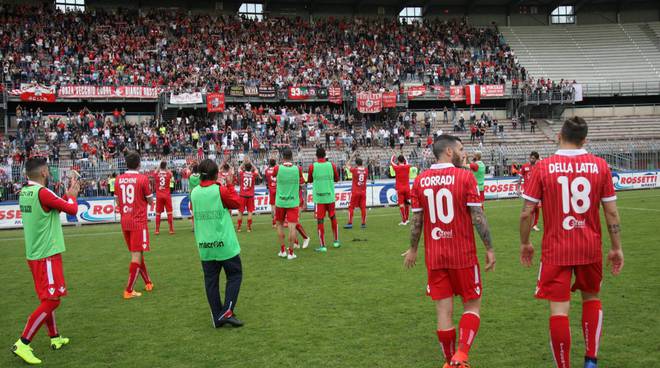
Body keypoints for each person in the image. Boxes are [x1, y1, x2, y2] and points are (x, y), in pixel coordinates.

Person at [519, 117, 624, 368]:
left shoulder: (542, 167)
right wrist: (616, 247)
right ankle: (590, 359)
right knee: (592, 298)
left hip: (556, 249)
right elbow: (611, 213)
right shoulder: (600, 166)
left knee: (559, 311)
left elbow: (526, 212)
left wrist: (525, 242)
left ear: (559, 136)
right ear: (584, 140)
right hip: (589, 246)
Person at [403, 135, 495, 368]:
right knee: (472, 305)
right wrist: (489, 248)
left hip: (435, 256)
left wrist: (413, 248)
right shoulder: (465, 177)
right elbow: (478, 216)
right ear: (449, 152)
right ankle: (461, 356)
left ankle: (449, 361)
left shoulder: (421, 180)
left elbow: (417, 221)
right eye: (461, 149)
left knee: (443, 312)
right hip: (462, 253)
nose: (465, 153)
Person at [12, 157, 79, 365]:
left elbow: (51, 206)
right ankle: (23, 343)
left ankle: (55, 337)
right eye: (48, 170)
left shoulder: (25, 191)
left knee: (46, 299)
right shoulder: (42, 192)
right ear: (42, 173)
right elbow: (72, 210)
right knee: (52, 300)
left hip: (34, 254)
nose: (49, 174)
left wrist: (66, 196)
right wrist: (73, 196)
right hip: (46, 254)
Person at [190, 159, 244, 327]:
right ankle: (226, 311)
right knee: (235, 275)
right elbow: (237, 203)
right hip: (224, 244)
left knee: (211, 281)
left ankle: (217, 315)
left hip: (205, 245)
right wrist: (229, 184)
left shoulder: (194, 192)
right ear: (215, 175)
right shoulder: (219, 190)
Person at [115, 151, 154, 299]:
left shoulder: (118, 179)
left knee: (137, 253)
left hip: (125, 221)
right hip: (138, 221)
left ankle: (148, 282)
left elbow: (118, 201)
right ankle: (129, 290)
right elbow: (150, 201)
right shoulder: (143, 179)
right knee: (136, 255)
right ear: (139, 164)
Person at [274, 148, 305, 260]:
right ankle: (291, 253)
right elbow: (302, 181)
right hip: (292, 201)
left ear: (283, 157)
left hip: (281, 201)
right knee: (292, 227)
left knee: (279, 225)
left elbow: (273, 174)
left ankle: (283, 250)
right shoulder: (298, 169)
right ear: (292, 157)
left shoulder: (278, 168)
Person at [308, 147, 340, 252]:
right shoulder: (332, 165)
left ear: (316, 156)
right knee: (333, 217)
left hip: (319, 198)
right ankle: (336, 241)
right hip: (330, 196)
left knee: (320, 220)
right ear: (325, 155)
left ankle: (323, 246)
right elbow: (336, 179)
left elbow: (309, 180)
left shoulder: (313, 166)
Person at [344, 153, 368, 229]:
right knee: (363, 208)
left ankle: (350, 223)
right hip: (363, 192)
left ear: (356, 164)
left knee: (351, 207)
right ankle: (363, 223)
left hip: (355, 191)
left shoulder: (355, 170)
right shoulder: (366, 170)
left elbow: (347, 165)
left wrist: (351, 157)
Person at [519, 151, 541, 231]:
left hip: (536, 191)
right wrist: (518, 188)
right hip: (527, 191)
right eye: (531, 158)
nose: (531, 159)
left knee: (536, 208)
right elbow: (520, 177)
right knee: (526, 208)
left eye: (533, 158)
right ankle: (525, 223)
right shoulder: (525, 166)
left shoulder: (538, 166)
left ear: (537, 159)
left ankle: (534, 224)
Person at [236, 159, 260, 232]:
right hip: (250, 196)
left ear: (245, 168)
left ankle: (239, 228)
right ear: (251, 168)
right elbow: (256, 170)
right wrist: (251, 162)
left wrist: (243, 162)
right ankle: (249, 228)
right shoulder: (253, 174)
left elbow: (239, 168)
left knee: (240, 212)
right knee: (250, 211)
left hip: (242, 195)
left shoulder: (242, 173)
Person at [153, 161, 174, 235]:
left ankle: (157, 230)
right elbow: (171, 174)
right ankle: (171, 229)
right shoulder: (168, 174)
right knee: (169, 212)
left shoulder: (157, 174)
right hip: (167, 195)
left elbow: (155, 172)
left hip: (159, 196)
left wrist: (159, 166)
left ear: (160, 166)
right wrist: (166, 168)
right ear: (165, 167)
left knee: (158, 213)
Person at [390, 154, 411, 225]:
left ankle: (404, 221)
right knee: (407, 203)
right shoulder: (407, 166)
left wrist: (393, 156)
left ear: (398, 161)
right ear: (404, 160)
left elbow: (391, 162)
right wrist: (404, 156)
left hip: (400, 188)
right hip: (407, 188)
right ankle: (407, 219)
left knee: (401, 204)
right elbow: (407, 161)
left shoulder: (397, 167)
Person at [264, 158, 278, 228]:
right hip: (278, 189)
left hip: (271, 189)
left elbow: (266, 178)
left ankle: (274, 222)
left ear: (269, 163)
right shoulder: (278, 169)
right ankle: (279, 220)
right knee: (278, 206)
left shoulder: (267, 171)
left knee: (273, 206)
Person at [188, 163, 200, 232]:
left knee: (193, 212)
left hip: (192, 196)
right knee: (199, 211)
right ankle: (199, 226)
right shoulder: (200, 177)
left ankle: (193, 226)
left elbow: (187, 169)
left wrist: (191, 164)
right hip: (199, 195)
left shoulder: (190, 176)